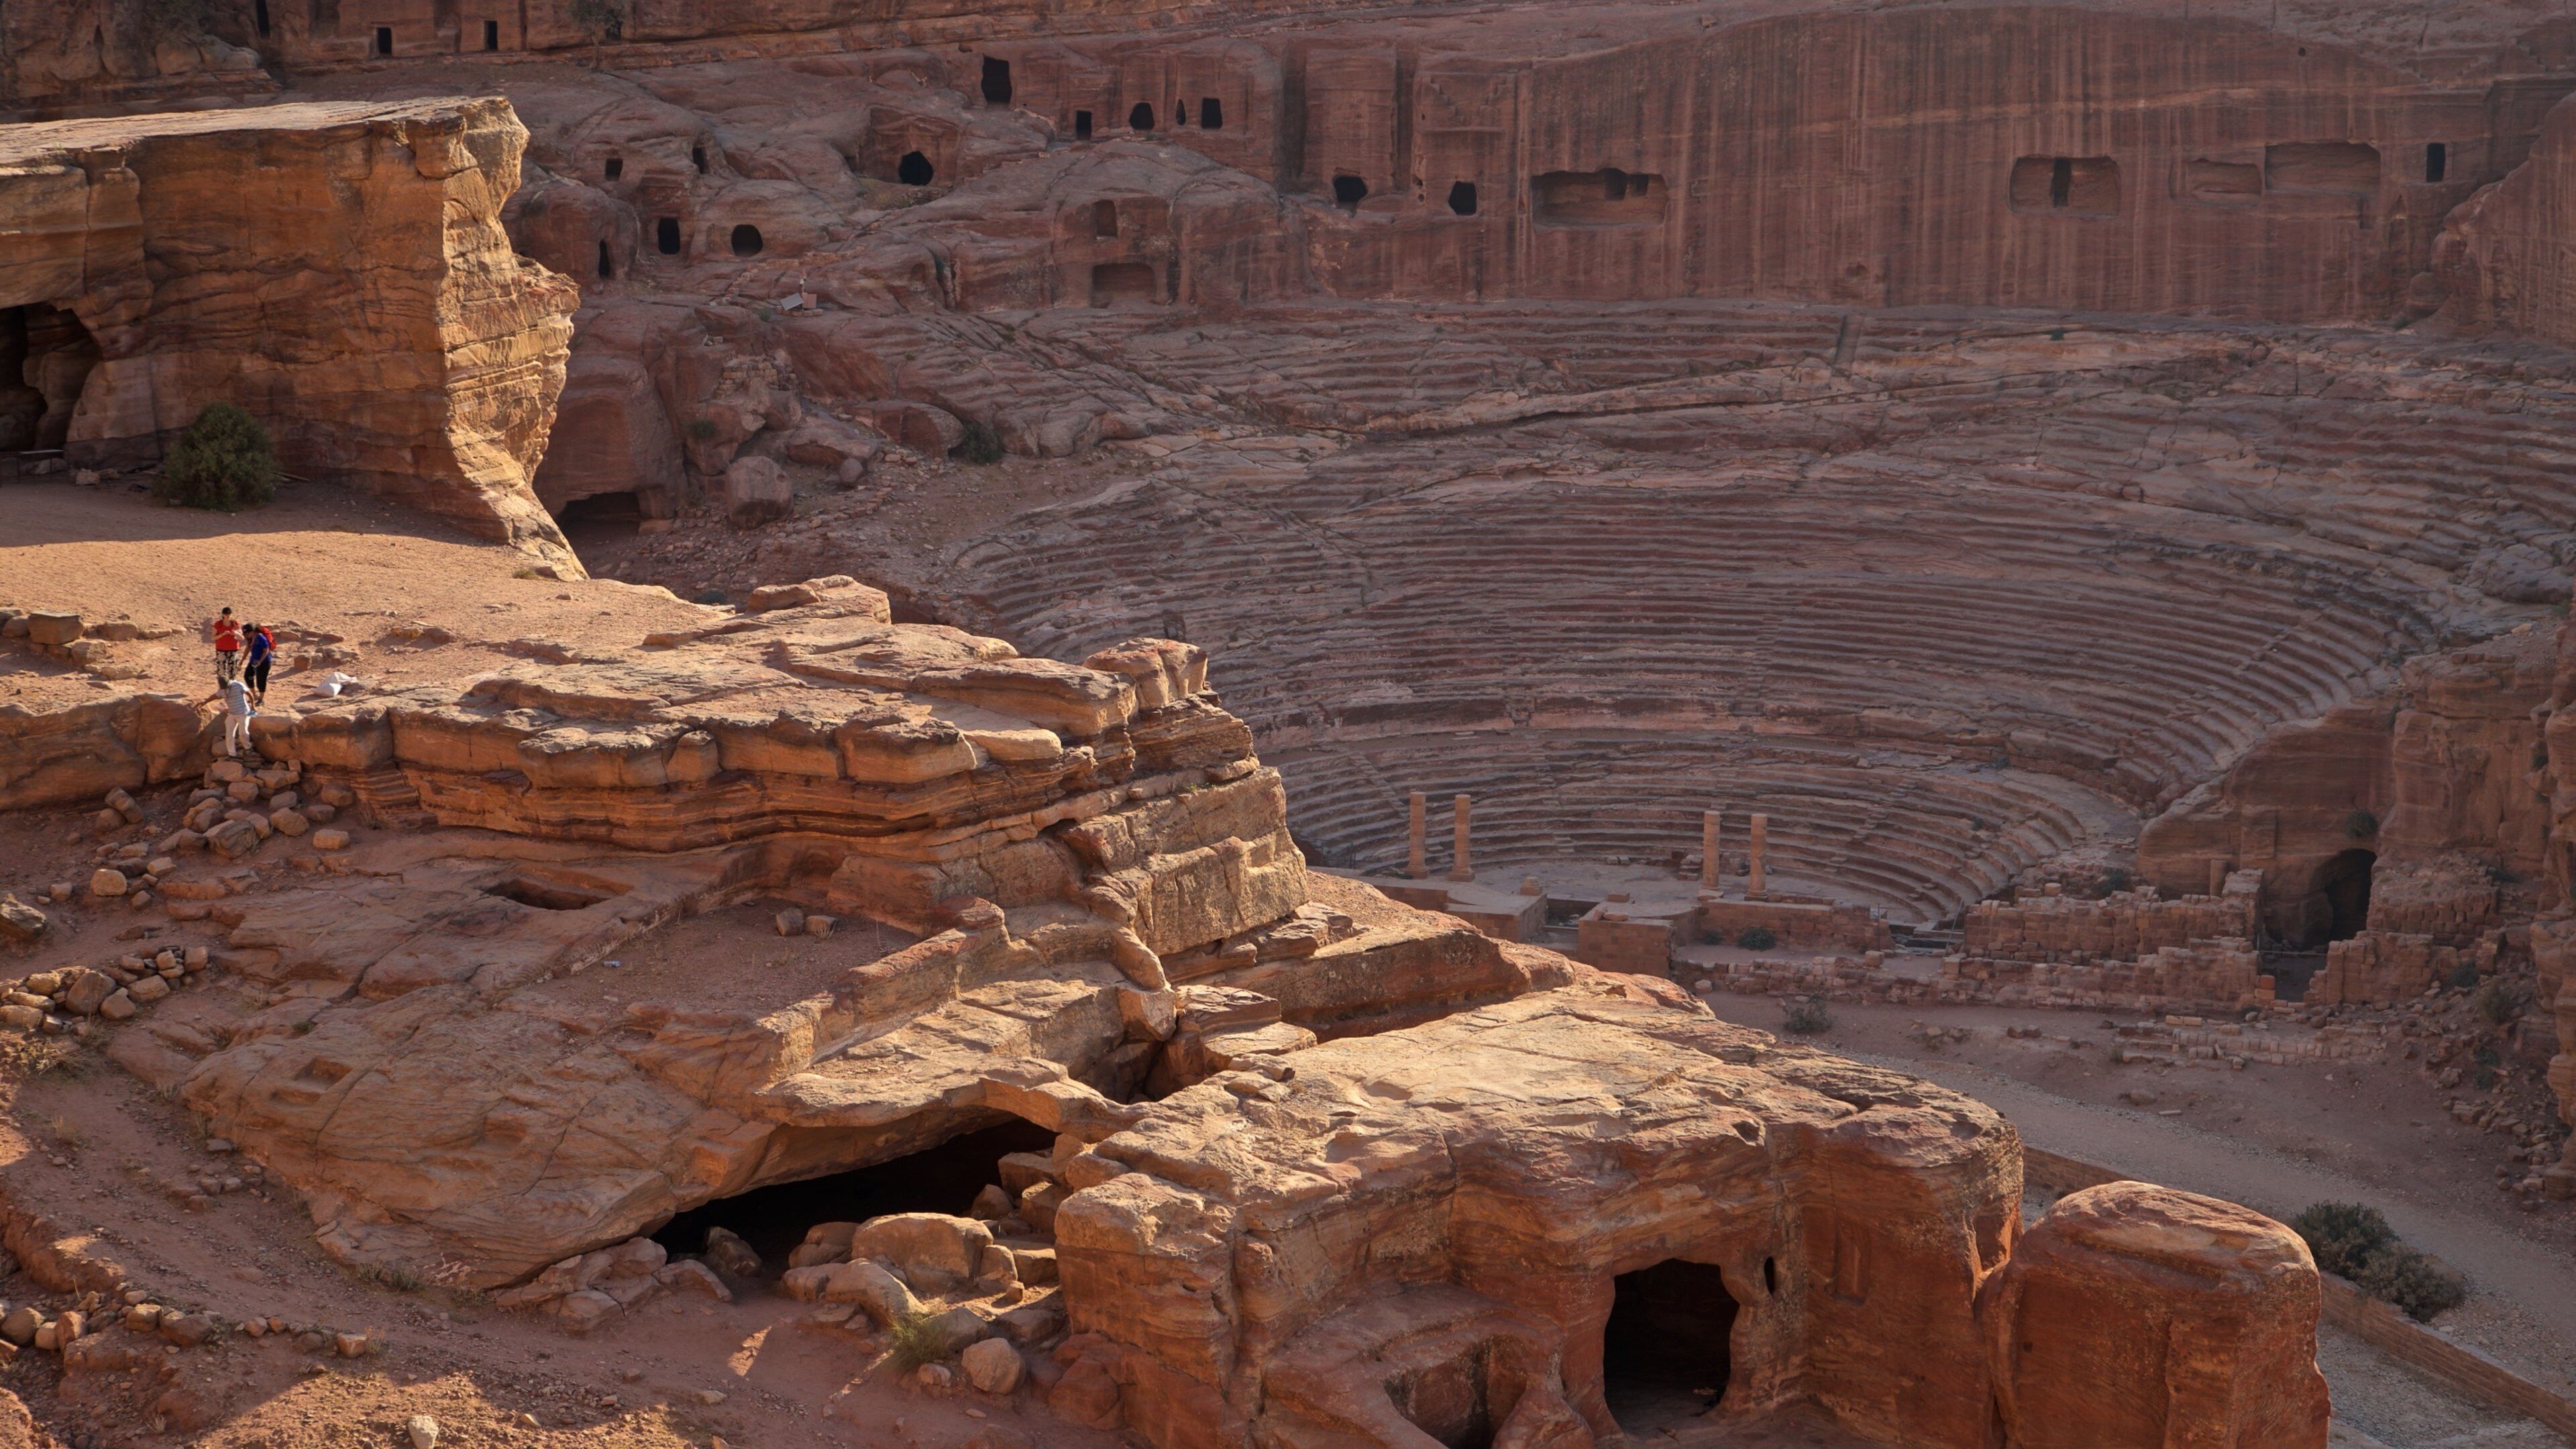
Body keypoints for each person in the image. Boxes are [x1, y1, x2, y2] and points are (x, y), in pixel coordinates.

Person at [217, 674, 252, 757]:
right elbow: (215, 696)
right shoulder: (222, 689)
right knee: (229, 734)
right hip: (232, 714)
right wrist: (205, 702)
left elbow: (249, 694)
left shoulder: (238, 685)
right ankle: (232, 754)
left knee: (243, 733)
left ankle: (248, 747)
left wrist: (253, 707)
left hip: (243, 713)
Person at [244, 623, 275, 705]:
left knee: (261, 680)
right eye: (244, 633)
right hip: (255, 661)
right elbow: (248, 649)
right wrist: (242, 661)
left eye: (247, 633)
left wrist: (260, 662)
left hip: (264, 662)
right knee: (248, 676)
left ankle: (261, 699)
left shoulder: (261, 638)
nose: (245, 635)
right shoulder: (250, 638)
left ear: (253, 631)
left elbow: (266, 651)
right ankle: (254, 695)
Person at [211, 607, 243, 686]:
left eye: (229, 613)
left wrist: (235, 633)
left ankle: (233, 687)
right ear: (223, 615)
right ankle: (222, 687)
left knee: (232, 669)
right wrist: (222, 634)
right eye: (226, 614)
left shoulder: (235, 624)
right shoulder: (218, 624)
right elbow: (213, 637)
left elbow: (242, 637)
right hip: (221, 649)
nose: (228, 615)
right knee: (221, 670)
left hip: (233, 650)